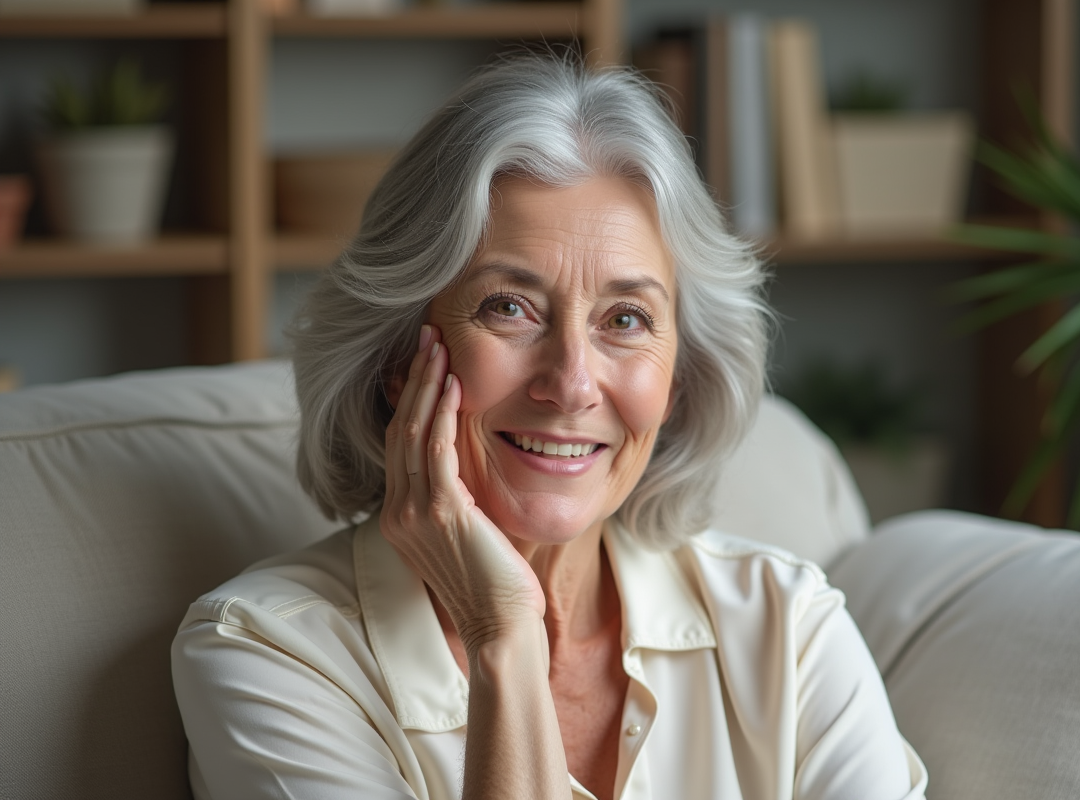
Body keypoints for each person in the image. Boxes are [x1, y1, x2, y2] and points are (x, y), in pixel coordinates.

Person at [172, 55, 927, 800]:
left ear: (676, 380)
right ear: (398, 360)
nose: (571, 383)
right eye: (509, 308)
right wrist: (503, 637)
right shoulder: (270, 653)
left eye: (625, 319)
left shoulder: (788, 629)